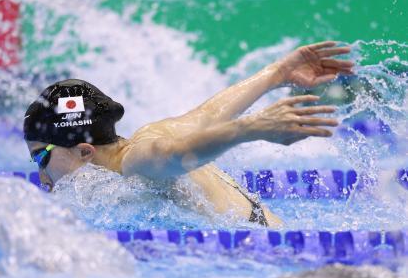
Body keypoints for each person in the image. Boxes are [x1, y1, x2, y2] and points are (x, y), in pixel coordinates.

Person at [24, 41, 353, 228]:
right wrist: (277, 73)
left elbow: (175, 154)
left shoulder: (137, 162)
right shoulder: (151, 133)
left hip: (283, 261)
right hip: (275, 235)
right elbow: (208, 115)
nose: (41, 175)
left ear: (84, 151)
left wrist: (253, 127)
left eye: (41, 156)